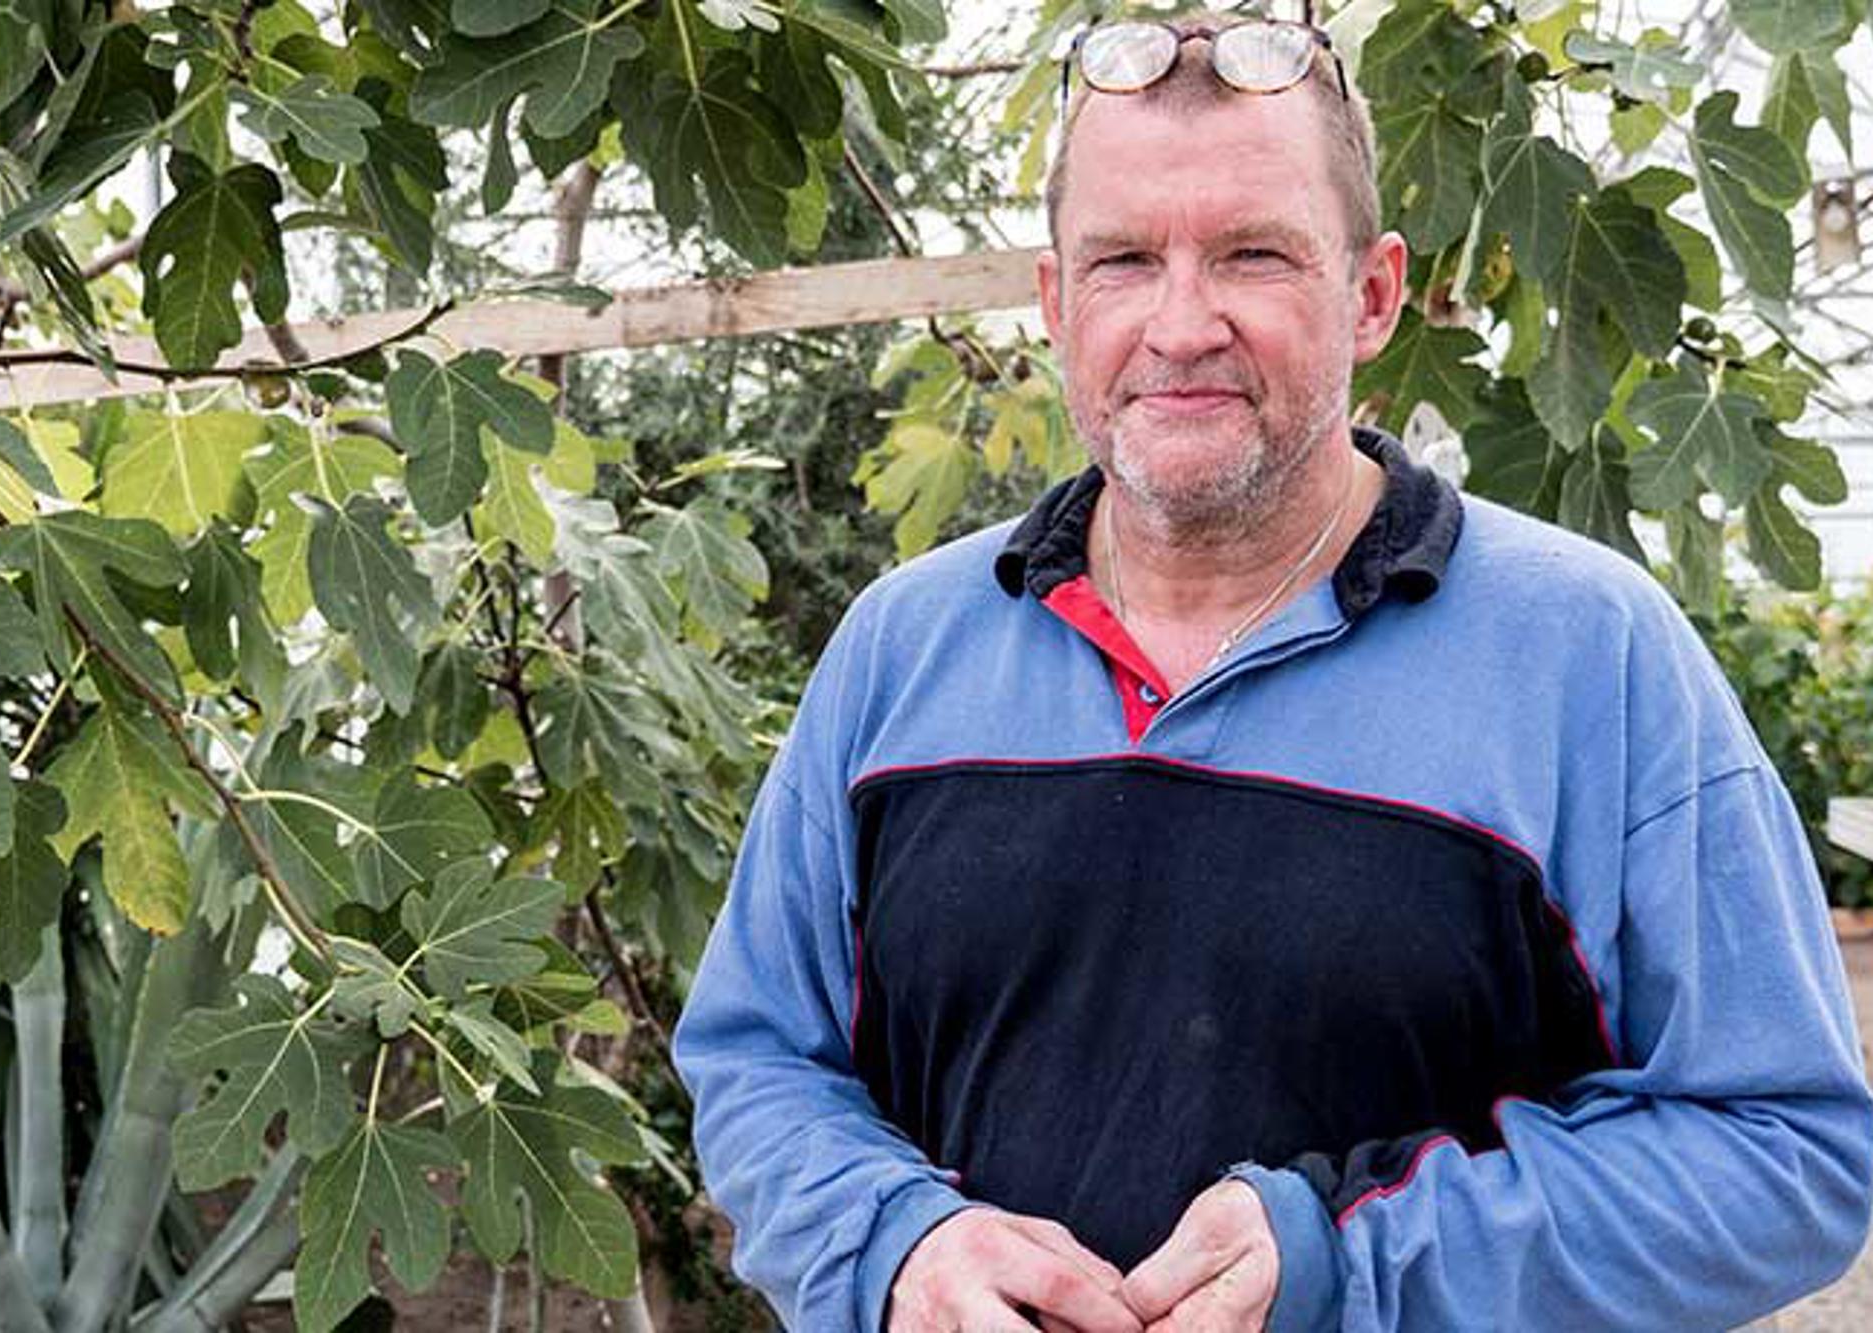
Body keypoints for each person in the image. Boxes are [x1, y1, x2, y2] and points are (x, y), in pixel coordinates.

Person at [673, 9, 1873, 1331]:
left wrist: (1345, 1261)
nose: (1182, 325)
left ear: (1372, 293)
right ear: (1057, 303)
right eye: (1124, 260)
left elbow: (1788, 1147)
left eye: (1254, 254)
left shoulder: (1591, 658)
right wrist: (901, 1242)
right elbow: (756, 1059)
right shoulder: (902, 651)